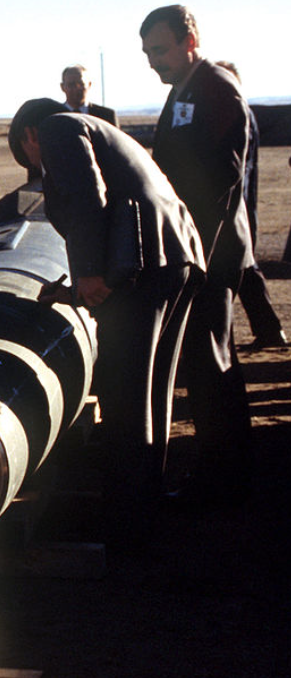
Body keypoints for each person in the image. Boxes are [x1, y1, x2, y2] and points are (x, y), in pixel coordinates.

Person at [11, 99, 204, 540]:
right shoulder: (94, 128)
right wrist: (73, 288)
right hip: (172, 257)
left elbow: (86, 198)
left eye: (32, 163)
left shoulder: (57, 128)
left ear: (29, 136)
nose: (40, 172)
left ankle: (128, 521)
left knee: (124, 392)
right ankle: (144, 506)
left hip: (145, 266)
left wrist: (91, 274)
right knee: (151, 390)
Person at [141, 5, 256, 501]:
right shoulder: (184, 90)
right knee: (206, 359)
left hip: (210, 252)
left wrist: (194, 255)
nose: (153, 61)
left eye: (160, 50)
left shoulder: (215, 88)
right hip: (194, 249)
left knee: (211, 361)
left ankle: (223, 476)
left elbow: (222, 181)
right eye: (147, 53)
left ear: (191, 39)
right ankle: (223, 466)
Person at [212, 61, 287, 350]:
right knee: (246, 270)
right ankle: (269, 331)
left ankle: (261, 332)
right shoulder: (245, 115)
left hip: (236, 211)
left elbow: (239, 171)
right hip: (240, 211)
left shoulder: (239, 117)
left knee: (238, 271)